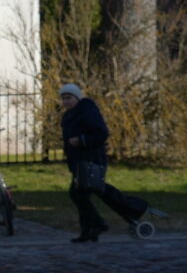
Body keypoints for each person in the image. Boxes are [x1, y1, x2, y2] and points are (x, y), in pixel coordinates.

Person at [59, 81, 153, 241]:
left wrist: (81, 140)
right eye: (63, 98)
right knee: (89, 192)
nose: (66, 101)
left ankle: (97, 225)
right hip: (78, 161)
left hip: (91, 159)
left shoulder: (87, 111)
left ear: (77, 98)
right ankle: (95, 227)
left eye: (69, 98)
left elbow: (101, 133)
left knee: (80, 193)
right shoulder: (69, 116)